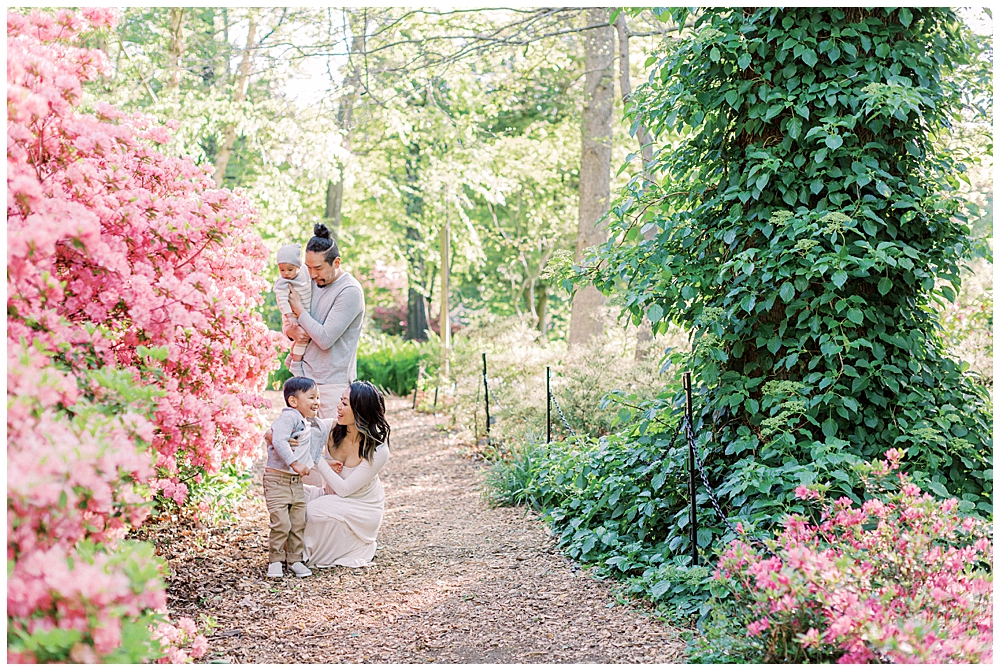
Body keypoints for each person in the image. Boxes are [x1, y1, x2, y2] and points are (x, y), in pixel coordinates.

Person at [302, 381, 391, 568]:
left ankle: (305, 556)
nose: (338, 407)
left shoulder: (378, 450)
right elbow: (295, 432)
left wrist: (318, 459)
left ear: (360, 410)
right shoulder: (331, 429)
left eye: (345, 403)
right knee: (294, 495)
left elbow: (344, 489)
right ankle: (290, 551)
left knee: (314, 509)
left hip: (362, 507)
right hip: (330, 496)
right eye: (340, 400)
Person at [284, 223, 365, 420]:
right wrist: (290, 331)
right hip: (301, 381)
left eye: (318, 268)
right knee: (301, 446)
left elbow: (325, 338)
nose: (312, 274)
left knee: (330, 447)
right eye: (308, 267)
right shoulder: (307, 282)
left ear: (336, 262)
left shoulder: (350, 291)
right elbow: (289, 320)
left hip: (332, 386)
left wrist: (299, 309)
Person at [263, 377, 323, 579]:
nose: (317, 402)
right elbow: (278, 439)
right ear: (293, 401)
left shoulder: (304, 422)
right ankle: (275, 560)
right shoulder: (289, 418)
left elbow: (305, 451)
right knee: (281, 523)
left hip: (294, 482)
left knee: (298, 522)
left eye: (318, 397)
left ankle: (295, 559)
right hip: (277, 480)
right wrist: (294, 463)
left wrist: (320, 465)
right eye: (312, 397)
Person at [273, 244, 312, 377]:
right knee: (302, 339)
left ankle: (291, 357)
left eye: (290, 269)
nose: (286, 273)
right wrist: (290, 316)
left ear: (299, 267)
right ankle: (296, 366)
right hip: (291, 315)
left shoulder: (306, 272)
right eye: (282, 270)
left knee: (302, 339)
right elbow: (282, 300)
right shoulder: (283, 283)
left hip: (302, 312)